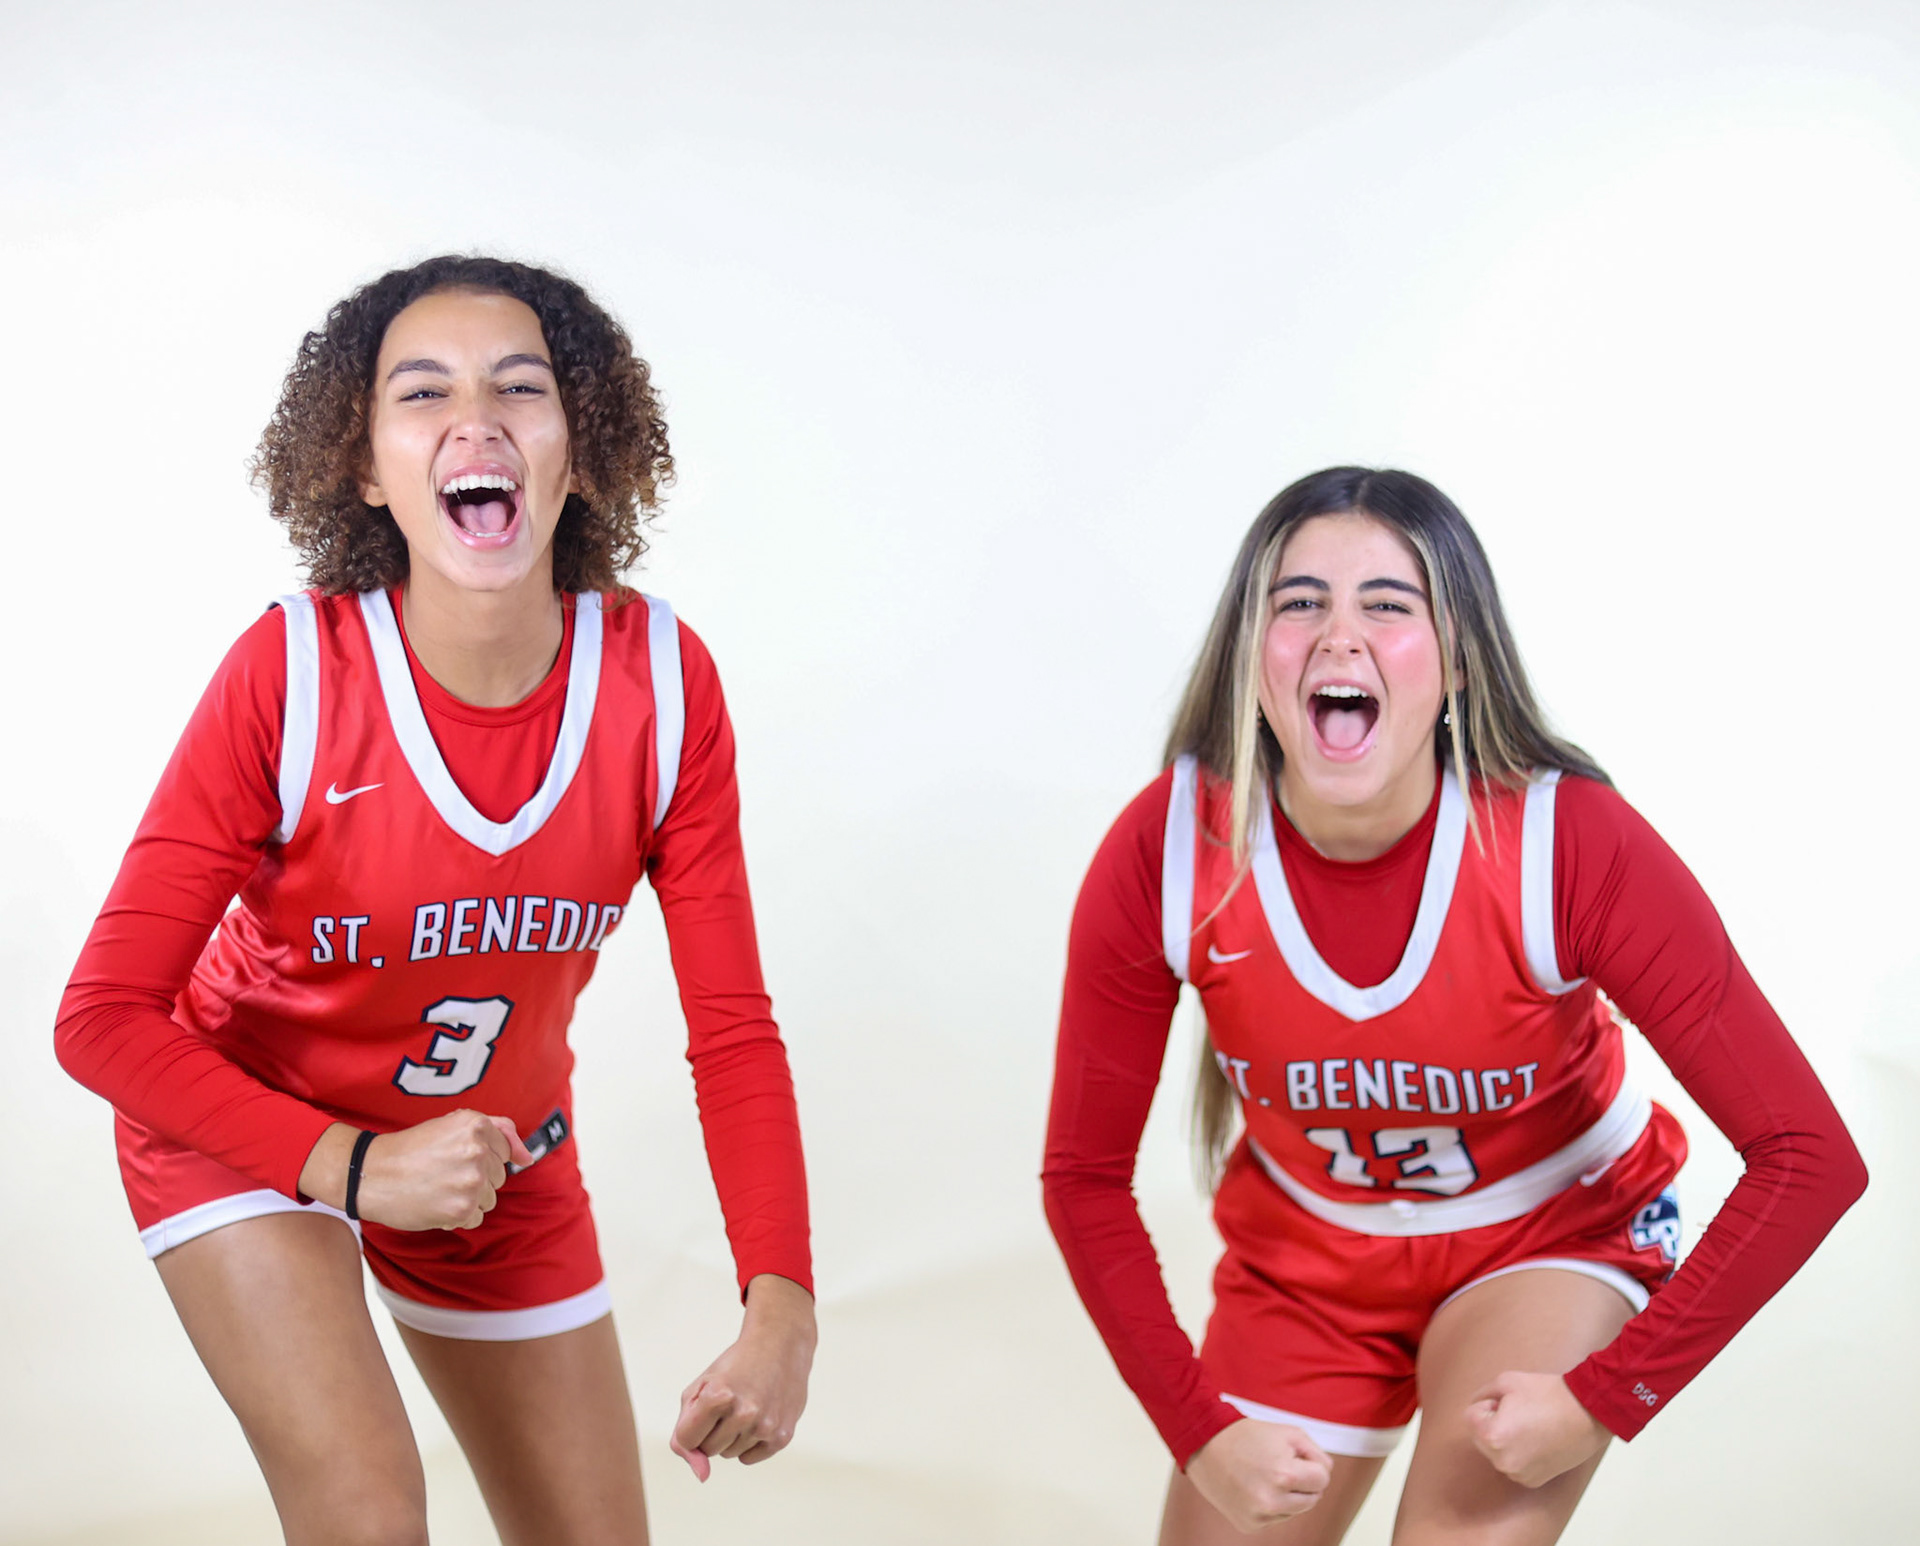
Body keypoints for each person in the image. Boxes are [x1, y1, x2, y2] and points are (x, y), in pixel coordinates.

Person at [55, 255, 815, 1546]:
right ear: (365, 465)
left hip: (491, 1158)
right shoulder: (291, 673)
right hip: (253, 1132)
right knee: (367, 1511)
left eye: (522, 386)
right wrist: (351, 1165)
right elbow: (102, 1020)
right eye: (424, 393)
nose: (477, 420)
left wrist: (782, 1305)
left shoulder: (663, 682)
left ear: (578, 449)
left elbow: (732, 1023)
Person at [1042, 467, 1865, 1544]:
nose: (1340, 635)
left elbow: (1810, 1154)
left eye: (1388, 602)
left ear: (1461, 658)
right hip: (1309, 1258)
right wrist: (1197, 1429)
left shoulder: (1564, 841)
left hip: (1547, 1231)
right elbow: (1084, 1179)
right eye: (1298, 602)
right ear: (1252, 657)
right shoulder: (1169, 849)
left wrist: (1608, 1393)